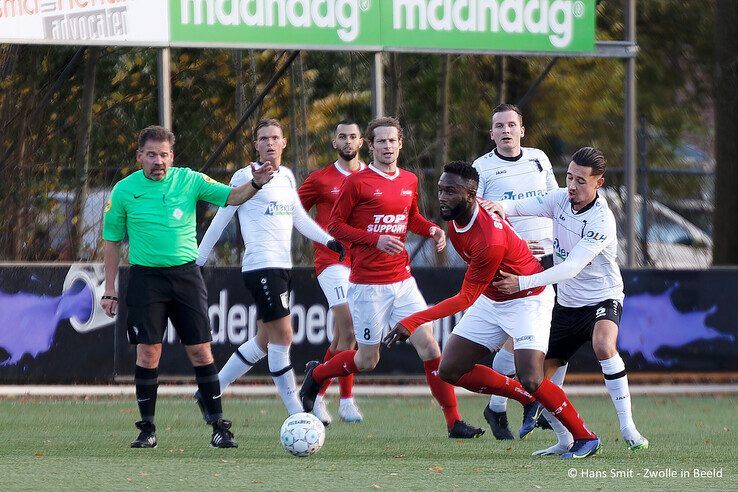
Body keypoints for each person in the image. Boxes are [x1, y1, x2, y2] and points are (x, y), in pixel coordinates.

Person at [383, 161, 601, 459]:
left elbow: (463, 299)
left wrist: (412, 321)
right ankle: (526, 398)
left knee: (532, 377)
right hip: (493, 298)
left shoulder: (488, 239)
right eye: (440, 190)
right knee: (450, 369)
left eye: (451, 191)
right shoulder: (456, 217)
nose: (442, 197)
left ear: (471, 195)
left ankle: (585, 436)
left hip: (528, 299)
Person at [299, 117, 484, 439]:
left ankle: (454, 422)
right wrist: (375, 240)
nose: (387, 147)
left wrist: (431, 229)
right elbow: (337, 227)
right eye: (380, 142)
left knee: (429, 346)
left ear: (400, 144)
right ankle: (317, 374)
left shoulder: (409, 180)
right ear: (370, 146)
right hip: (368, 285)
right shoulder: (356, 183)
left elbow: (410, 217)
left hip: (402, 280)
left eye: (392, 141)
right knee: (367, 359)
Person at [101, 125, 272, 448]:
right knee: (148, 352)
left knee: (200, 350)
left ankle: (219, 426)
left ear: (172, 157)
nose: (158, 161)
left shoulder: (190, 179)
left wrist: (256, 183)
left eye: (163, 155)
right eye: (151, 155)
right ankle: (147, 428)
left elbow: (231, 197)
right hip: (145, 278)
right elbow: (111, 242)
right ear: (140, 157)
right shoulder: (124, 190)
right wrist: (109, 289)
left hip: (185, 277)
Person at [488, 147, 650, 454]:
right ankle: (565, 440)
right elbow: (521, 206)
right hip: (567, 304)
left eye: (580, 181)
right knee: (534, 380)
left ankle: (628, 427)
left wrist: (522, 282)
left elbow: (570, 268)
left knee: (604, 345)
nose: (572, 186)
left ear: (598, 184)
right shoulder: (560, 198)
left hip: (602, 297)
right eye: (569, 177)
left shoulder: (601, 219)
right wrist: (495, 206)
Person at [196, 119, 344, 419]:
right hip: (260, 267)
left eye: (275, 137)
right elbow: (220, 221)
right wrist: (197, 262)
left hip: (282, 268)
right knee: (284, 335)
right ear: (256, 145)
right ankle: (296, 410)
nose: (270, 143)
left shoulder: (287, 176)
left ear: (284, 142)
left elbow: (299, 219)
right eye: (263, 138)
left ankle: (211, 389)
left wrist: (329, 241)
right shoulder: (244, 176)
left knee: (265, 340)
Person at [472, 103, 559, 440]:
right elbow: (476, 218)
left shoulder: (539, 158)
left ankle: (503, 407)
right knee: (516, 336)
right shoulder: (483, 168)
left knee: (544, 336)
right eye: (499, 126)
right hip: (510, 262)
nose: (506, 131)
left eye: (511, 125)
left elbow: (555, 202)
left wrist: (556, 243)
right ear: (491, 133)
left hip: (547, 258)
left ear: (522, 129)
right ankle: (521, 402)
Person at [297, 120, 366, 425]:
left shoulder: (373, 176)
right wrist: (321, 238)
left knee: (342, 336)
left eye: (353, 136)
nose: (348, 141)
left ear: (361, 142)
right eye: (342, 137)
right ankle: (347, 400)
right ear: (334, 143)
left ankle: (316, 392)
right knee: (350, 329)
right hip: (332, 262)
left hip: (363, 264)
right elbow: (293, 210)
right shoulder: (321, 179)